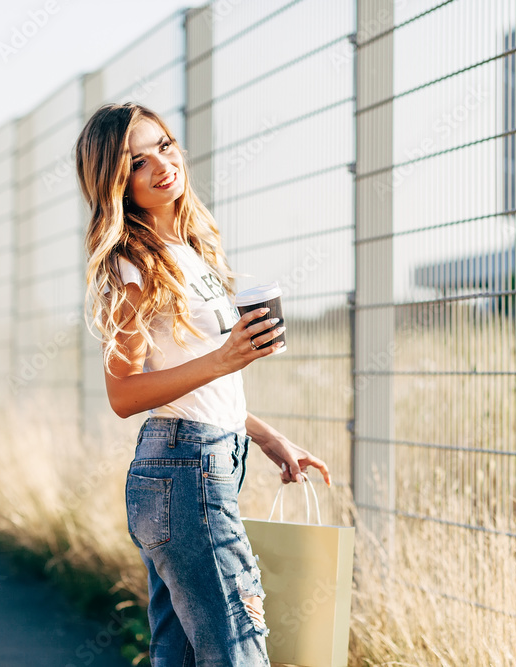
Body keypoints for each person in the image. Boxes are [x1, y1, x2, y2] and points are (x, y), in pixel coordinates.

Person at [75, 102, 331, 666]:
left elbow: (196, 386)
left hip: (205, 464)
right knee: (239, 648)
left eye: (163, 146)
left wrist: (264, 437)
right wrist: (224, 357)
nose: (160, 166)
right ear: (117, 184)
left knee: (188, 657)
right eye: (136, 163)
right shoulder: (132, 265)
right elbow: (123, 394)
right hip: (184, 472)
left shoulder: (190, 252)